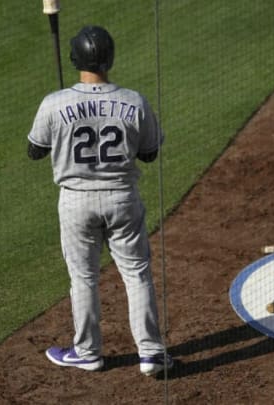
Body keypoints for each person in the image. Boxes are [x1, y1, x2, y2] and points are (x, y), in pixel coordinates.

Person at [27, 25, 172, 375]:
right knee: (137, 275)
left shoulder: (54, 102)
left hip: (76, 203)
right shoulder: (133, 100)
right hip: (123, 199)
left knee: (84, 278)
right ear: (110, 57)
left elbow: (34, 150)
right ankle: (151, 353)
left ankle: (88, 352)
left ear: (74, 58)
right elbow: (150, 154)